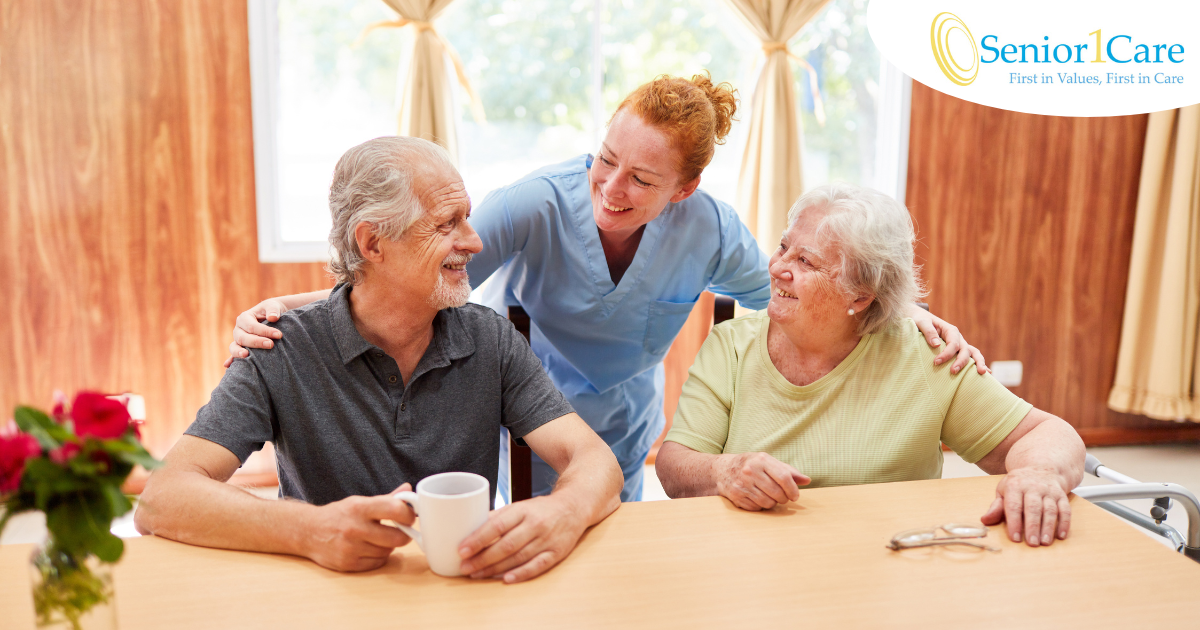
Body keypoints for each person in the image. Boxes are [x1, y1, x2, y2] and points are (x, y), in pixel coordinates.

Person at [224, 74, 986, 503]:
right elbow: (417, 273)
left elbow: (798, 288)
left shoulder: (711, 228)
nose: (611, 188)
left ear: (684, 190)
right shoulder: (534, 203)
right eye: (604, 159)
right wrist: (290, 310)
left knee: (607, 533)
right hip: (521, 398)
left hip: (622, 417)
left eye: (642, 179)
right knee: (514, 524)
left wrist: (909, 316)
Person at [135, 137, 623, 582]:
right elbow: (162, 498)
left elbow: (595, 460)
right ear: (372, 243)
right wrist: (309, 529)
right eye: (446, 223)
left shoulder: (489, 339)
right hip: (325, 595)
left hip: (462, 590)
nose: (474, 241)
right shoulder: (278, 348)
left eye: (467, 218)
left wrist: (564, 512)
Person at [655, 184, 1085, 547]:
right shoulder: (731, 347)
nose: (778, 268)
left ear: (860, 297)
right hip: (753, 560)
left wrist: (1038, 474)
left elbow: (1046, 433)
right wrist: (723, 471)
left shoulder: (924, 355)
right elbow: (675, 466)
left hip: (889, 563)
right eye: (784, 247)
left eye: (806, 261)